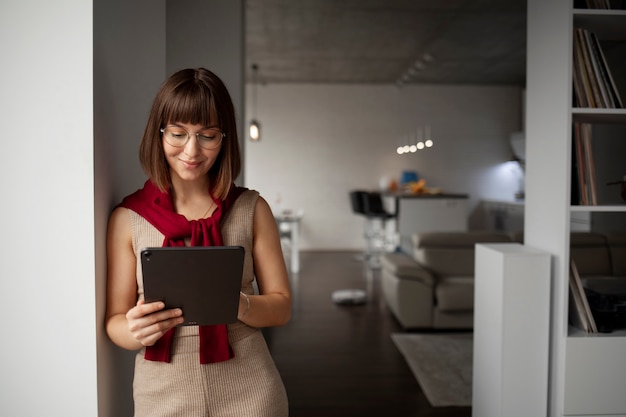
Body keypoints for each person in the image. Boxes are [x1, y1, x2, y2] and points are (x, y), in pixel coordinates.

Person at [105, 68, 291, 417]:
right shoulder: (128, 218)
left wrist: (236, 304)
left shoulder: (251, 208)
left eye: (208, 136)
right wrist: (135, 329)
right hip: (161, 391)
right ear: (158, 134)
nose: (192, 150)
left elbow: (282, 307)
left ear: (224, 139)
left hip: (250, 387)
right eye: (178, 133)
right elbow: (115, 321)